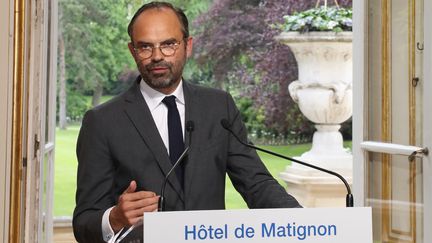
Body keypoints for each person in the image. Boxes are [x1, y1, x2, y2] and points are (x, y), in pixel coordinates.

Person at [72, 1, 301, 242]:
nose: (157, 56)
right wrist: (114, 218)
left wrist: (306, 224)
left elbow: (256, 184)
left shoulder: (218, 107)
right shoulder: (101, 122)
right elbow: (83, 223)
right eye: (145, 47)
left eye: (169, 44)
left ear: (187, 46)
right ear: (132, 50)